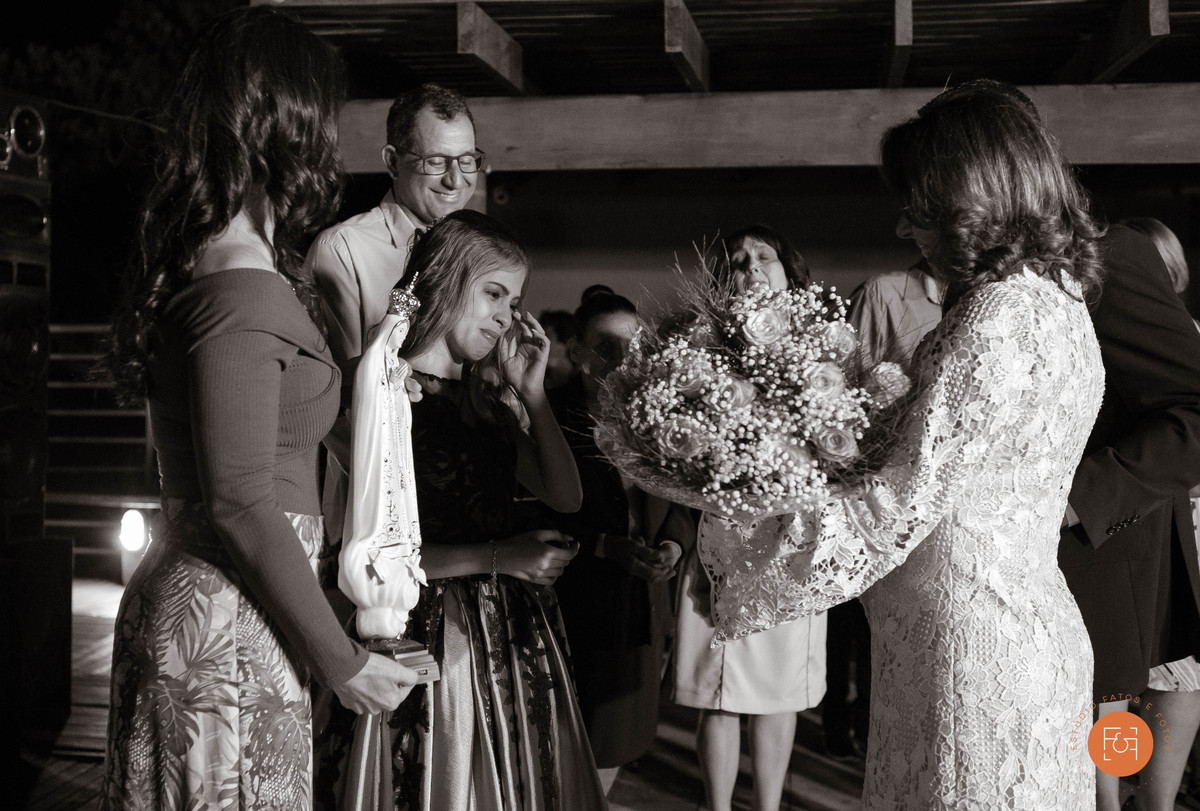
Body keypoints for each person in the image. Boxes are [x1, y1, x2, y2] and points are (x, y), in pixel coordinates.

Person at [700, 80, 1108, 809]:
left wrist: (738, 518)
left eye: (920, 205)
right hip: (1007, 634)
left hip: (968, 660)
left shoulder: (994, 320)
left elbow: (896, 506)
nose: (902, 227)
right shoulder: (1059, 300)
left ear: (971, 196)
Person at [100, 7, 415, 808]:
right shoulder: (241, 280)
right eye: (326, 113)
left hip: (237, 606)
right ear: (289, 121)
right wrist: (343, 662)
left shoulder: (233, 261)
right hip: (227, 619)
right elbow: (240, 497)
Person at [315, 210, 607, 809]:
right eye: (493, 294)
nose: (505, 316)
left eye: (514, 301)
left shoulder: (487, 401)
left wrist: (532, 395)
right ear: (445, 283)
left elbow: (566, 496)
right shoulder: (382, 393)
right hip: (423, 632)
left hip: (511, 633)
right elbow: (373, 556)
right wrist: (503, 557)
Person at [672, 225, 827, 811]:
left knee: (780, 689)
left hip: (791, 539)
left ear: (790, 272)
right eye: (739, 261)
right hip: (721, 532)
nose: (752, 267)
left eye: (766, 256)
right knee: (719, 690)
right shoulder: (701, 346)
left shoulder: (821, 347)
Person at [304, 82, 482, 572]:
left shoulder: (480, 253)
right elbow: (331, 401)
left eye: (468, 160)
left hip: (474, 508)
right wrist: (399, 490)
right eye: (435, 161)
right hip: (381, 518)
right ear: (391, 160)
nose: (455, 179)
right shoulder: (344, 250)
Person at [1060, 213, 1200, 811]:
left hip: (1165, 523)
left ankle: (1153, 801)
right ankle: (1116, 799)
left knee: (1172, 679)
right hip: (1126, 528)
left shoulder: (1176, 335)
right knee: (1117, 689)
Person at [546, 284, 693, 793]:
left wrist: (672, 547)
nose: (625, 360)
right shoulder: (551, 417)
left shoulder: (657, 418)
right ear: (577, 353)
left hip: (642, 604)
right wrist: (605, 547)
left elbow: (680, 503)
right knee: (563, 740)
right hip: (573, 604)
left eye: (635, 347)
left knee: (616, 741)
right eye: (608, 347)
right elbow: (528, 511)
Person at [538, 308, 581, 390]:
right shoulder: (540, 382)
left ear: (568, 343)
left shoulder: (582, 384)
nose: (539, 342)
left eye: (547, 337)